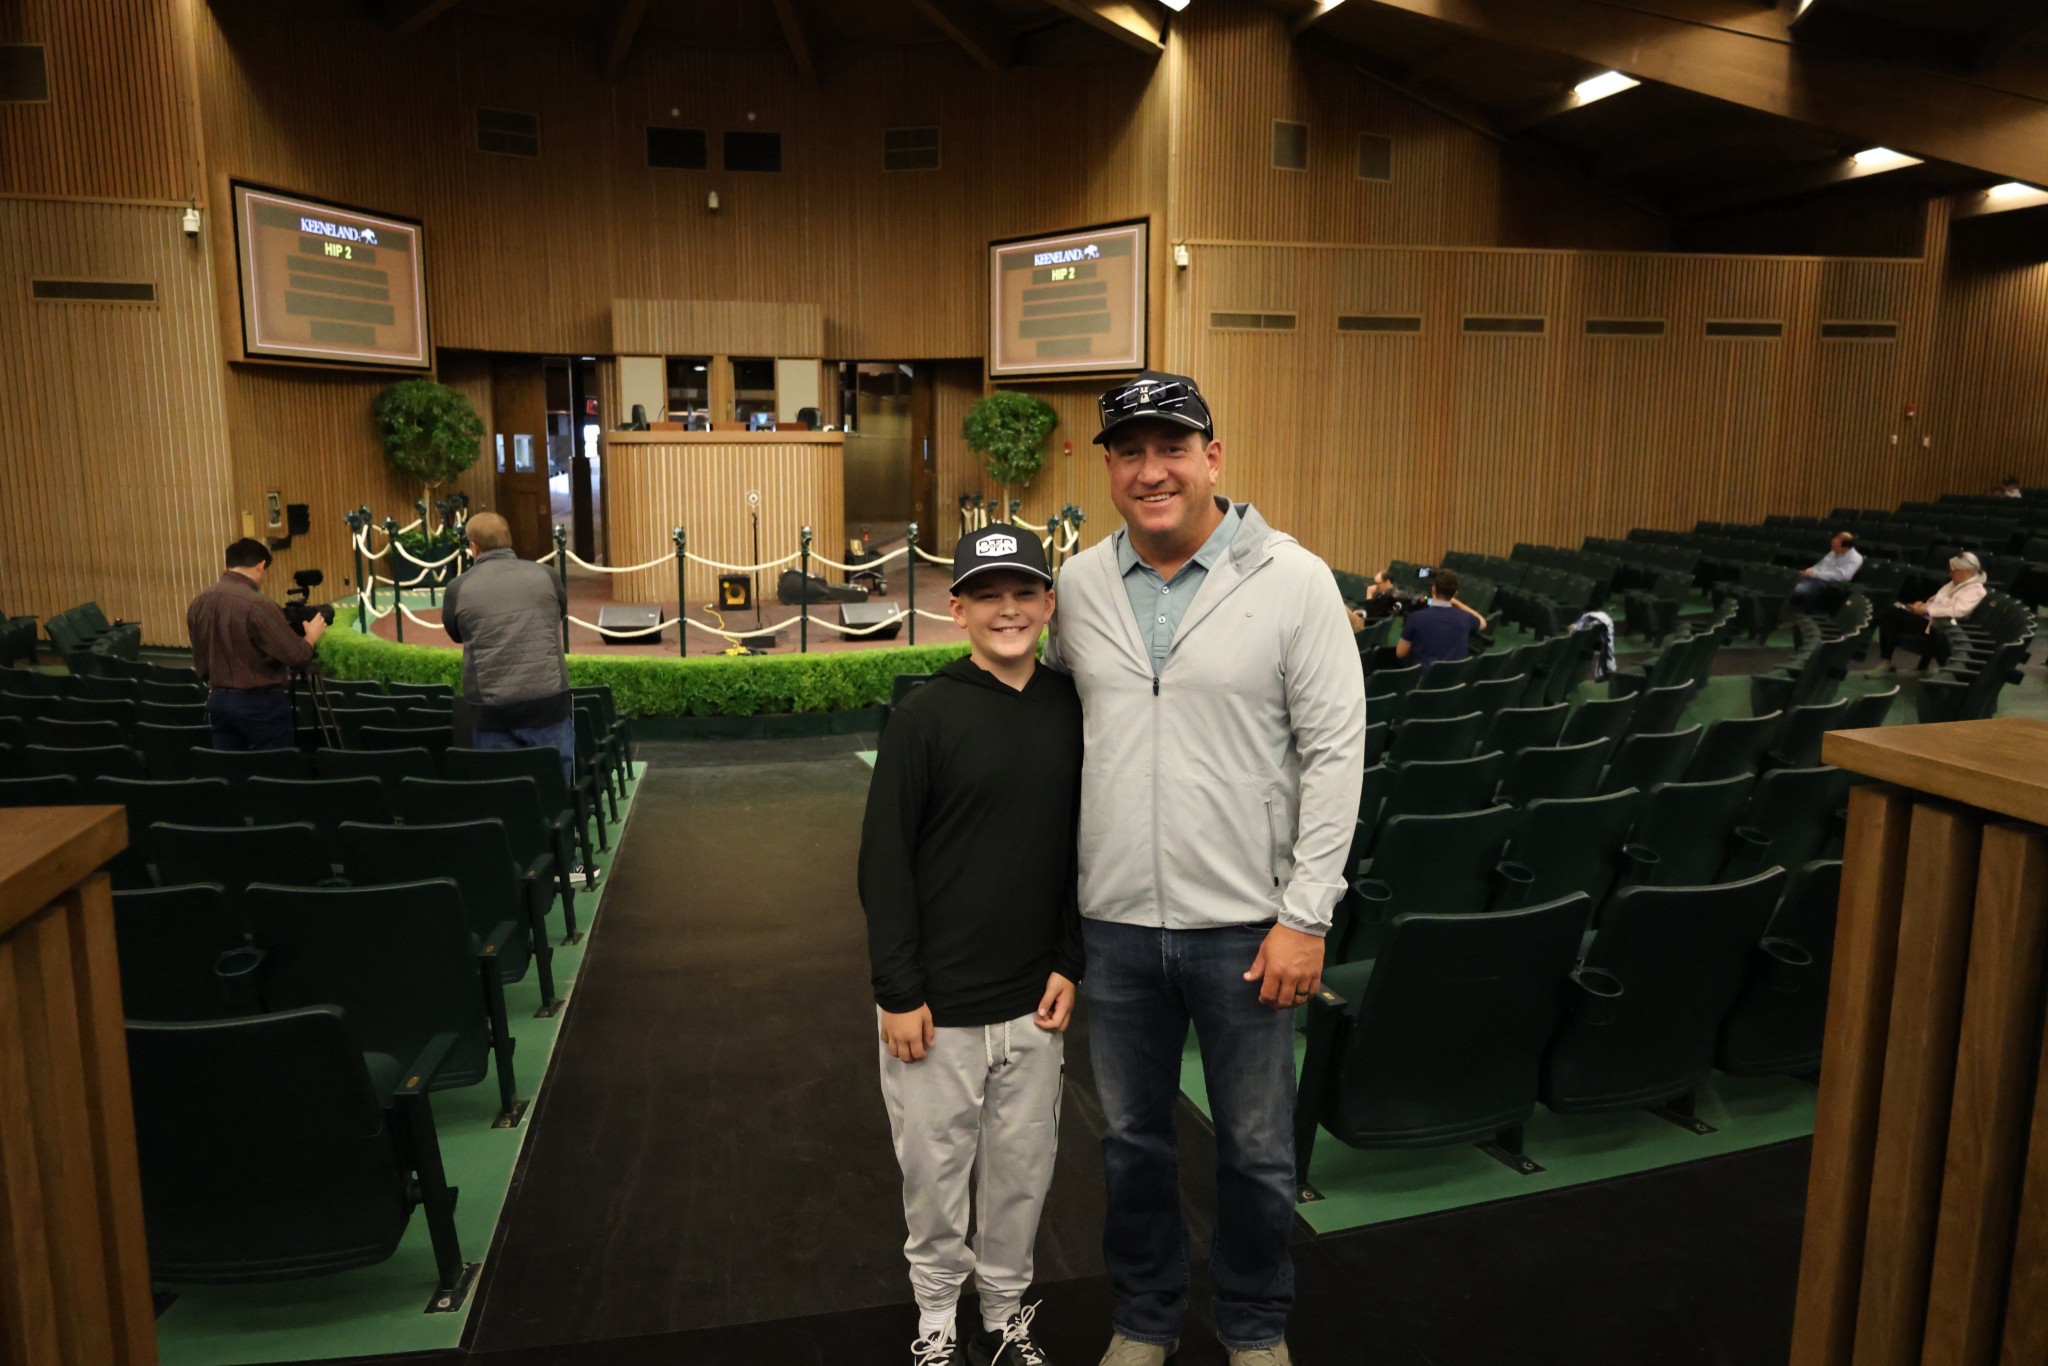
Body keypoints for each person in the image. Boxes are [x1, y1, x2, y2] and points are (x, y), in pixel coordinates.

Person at [1043, 370, 1366, 1366]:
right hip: (1118, 925)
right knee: (1130, 1144)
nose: (1151, 471)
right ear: (1106, 466)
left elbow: (1334, 748)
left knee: (1257, 1152)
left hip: (1247, 924)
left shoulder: (1293, 579)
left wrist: (1305, 915)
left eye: (1171, 448)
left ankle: (1254, 1322)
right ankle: (1143, 1317)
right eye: (1129, 451)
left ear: (1211, 457)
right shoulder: (1081, 584)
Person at [859, 524, 1084, 1366]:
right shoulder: (926, 715)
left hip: (1034, 1002)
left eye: (1025, 592)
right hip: (936, 1008)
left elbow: (1075, 850)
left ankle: (1004, 1311)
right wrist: (897, 989)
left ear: (1048, 603)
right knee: (934, 1180)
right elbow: (883, 862)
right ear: (957, 608)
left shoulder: (1070, 705)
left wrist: (1070, 958)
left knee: (1023, 1176)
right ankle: (936, 1316)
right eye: (988, 595)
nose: (1008, 609)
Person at [442, 513, 574, 787]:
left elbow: (456, 634)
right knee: (555, 793)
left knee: (505, 794)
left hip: (492, 712)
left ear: (474, 547)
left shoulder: (458, 587)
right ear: (509, 540)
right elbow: (558, 613)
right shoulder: (546, 575)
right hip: (548, 704)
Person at [187, 537, 325, 751]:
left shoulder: (199, 601)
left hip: (217, 700)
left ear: (228, 564)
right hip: (259, 705)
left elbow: (201, 657)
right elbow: (297, 656)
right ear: (261, 565)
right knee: (271, 775)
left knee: (231, 773)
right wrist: (311, 636)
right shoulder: (258, 604)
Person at [1871, 552, 1988, 672]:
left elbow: (1957, 611)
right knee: (1889, 620)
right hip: (1927, 622)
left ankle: (1869, 626)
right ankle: (1886, 661)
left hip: (1941, 629)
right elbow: (1935, 600)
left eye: (1953, 570)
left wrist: (1926, 610)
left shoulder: (1976, 590)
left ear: (1965, 571)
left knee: (1893, 612)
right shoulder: (1952, 584)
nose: (1950, 573)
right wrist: (1921, 605)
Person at [1394, 567, 1478, 676]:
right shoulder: (1465, 617)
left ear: (1433, 589)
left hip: (1423, 680)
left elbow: (1400, 653)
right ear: (1455, 594)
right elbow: (1482, 622)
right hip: (1454, 681)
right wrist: (1456, 603)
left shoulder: (1416, 617)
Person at [1791, 531, 1863, 607]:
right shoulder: (1834, 551)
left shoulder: (1855, 558)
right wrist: (1809, 571)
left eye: (1835, 547)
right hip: (1813, 577)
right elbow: (1820, 565)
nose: (1833, 549)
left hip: (1825, 584)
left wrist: (1814, 574)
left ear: (1846, 548)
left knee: (1793, 589)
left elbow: (1842, 576)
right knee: (1785, 580)